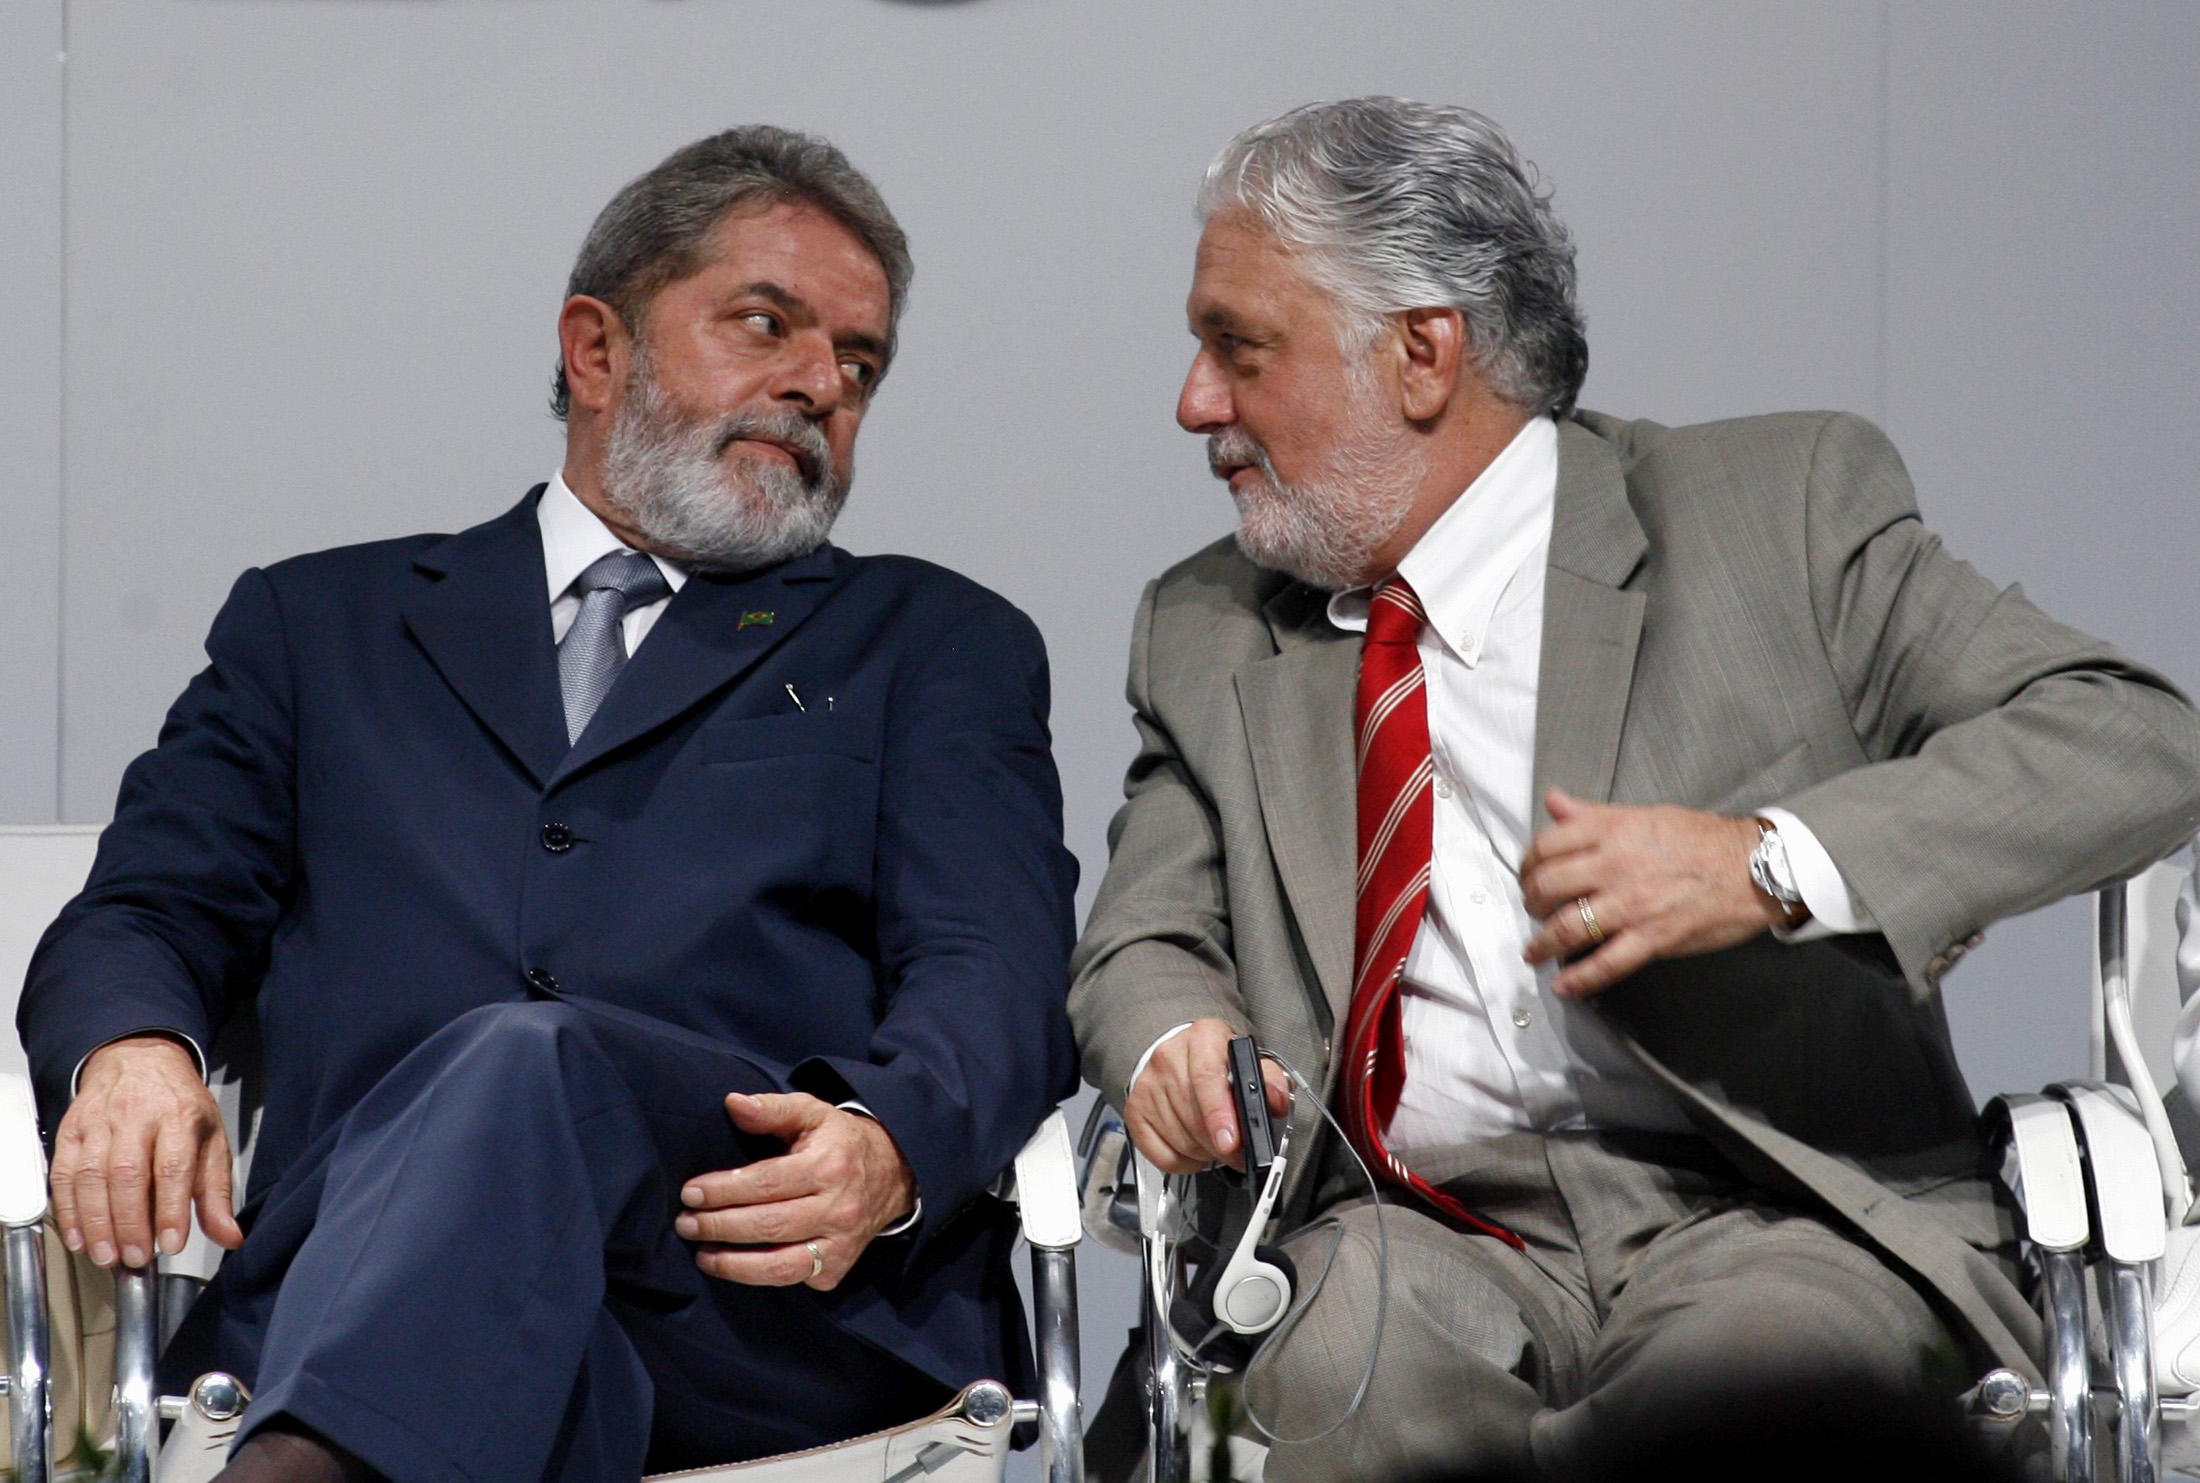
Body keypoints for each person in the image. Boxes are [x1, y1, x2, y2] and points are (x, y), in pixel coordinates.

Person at [1068, 97, 2200, 1481]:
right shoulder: (1209, 625)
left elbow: (2137, 738)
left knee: (1746, 1396)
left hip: (1770, 1209)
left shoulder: (1773, 510)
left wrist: (1768, 862)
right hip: (1411, 1223)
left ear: (1423, 355)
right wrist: (1169, 1038)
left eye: (1238, 348)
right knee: (1332, 1364)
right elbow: (1146, 934)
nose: (1195, 402)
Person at [19, 126, 1078, 1483]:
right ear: (598, 350)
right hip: (360, 1276)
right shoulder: (321, 625)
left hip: (749, 1303)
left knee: (530, 1059)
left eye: (859, 366)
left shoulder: (928, 640)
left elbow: (995, 970)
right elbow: (145, 912)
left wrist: (887, 1139)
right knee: (519, 1326)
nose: (820, 383)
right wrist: (132, 1047)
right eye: (770, 324)